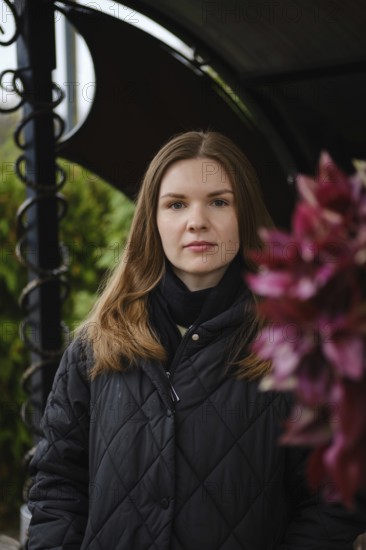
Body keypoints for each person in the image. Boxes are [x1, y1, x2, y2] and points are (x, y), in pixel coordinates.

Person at [27, 131, 366, 549]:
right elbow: (58, 483)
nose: (197, 221)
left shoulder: (297, 350)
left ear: (247, 215)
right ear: (152, 220)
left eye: (220, 201)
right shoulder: (96, 346)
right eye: (176, 204)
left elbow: (331, 504)